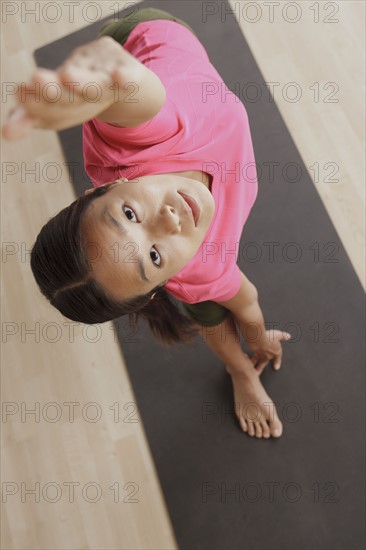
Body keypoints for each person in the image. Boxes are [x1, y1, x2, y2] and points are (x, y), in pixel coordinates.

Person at [2, 7, 291, 439]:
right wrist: (258, 341)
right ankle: (239, 375)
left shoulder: (140, 141)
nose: (169, 220)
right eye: (153, 256)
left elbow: (136, 94)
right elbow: (245, 301)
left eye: (130, 214)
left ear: (102, 188)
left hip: (146, 33)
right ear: (159, 287)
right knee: (207, 305)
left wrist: (104, 80)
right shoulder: (200, 267)